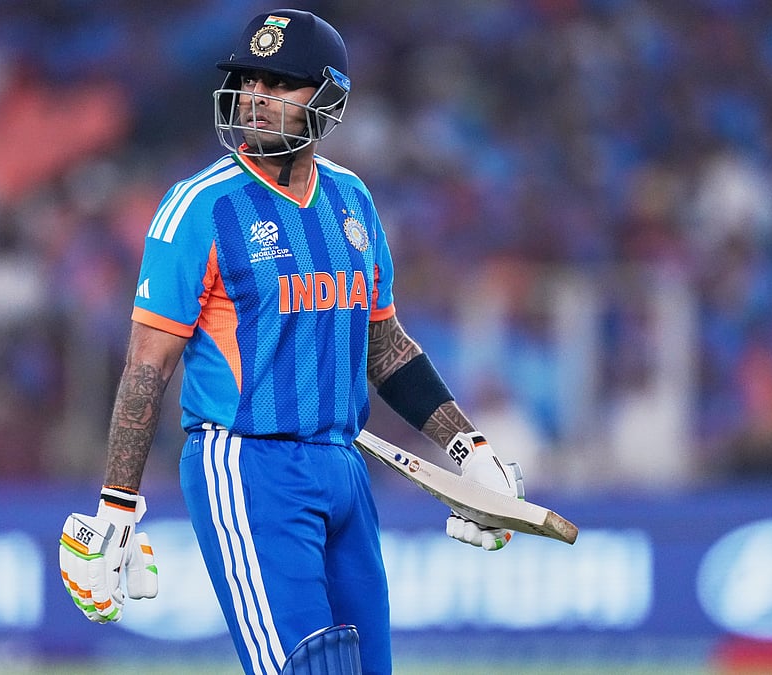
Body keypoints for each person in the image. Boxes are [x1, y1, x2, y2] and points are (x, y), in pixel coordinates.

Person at [58, 10, 522, 675]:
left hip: (343, 466)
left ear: (328, 97)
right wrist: (117, 509)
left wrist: (469, 451)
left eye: (279, 82)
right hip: (248, 468)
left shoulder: (352, 199)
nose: (255, 96)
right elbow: (145, 368)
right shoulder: (200, 207)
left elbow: (384, 345)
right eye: (249, 79)